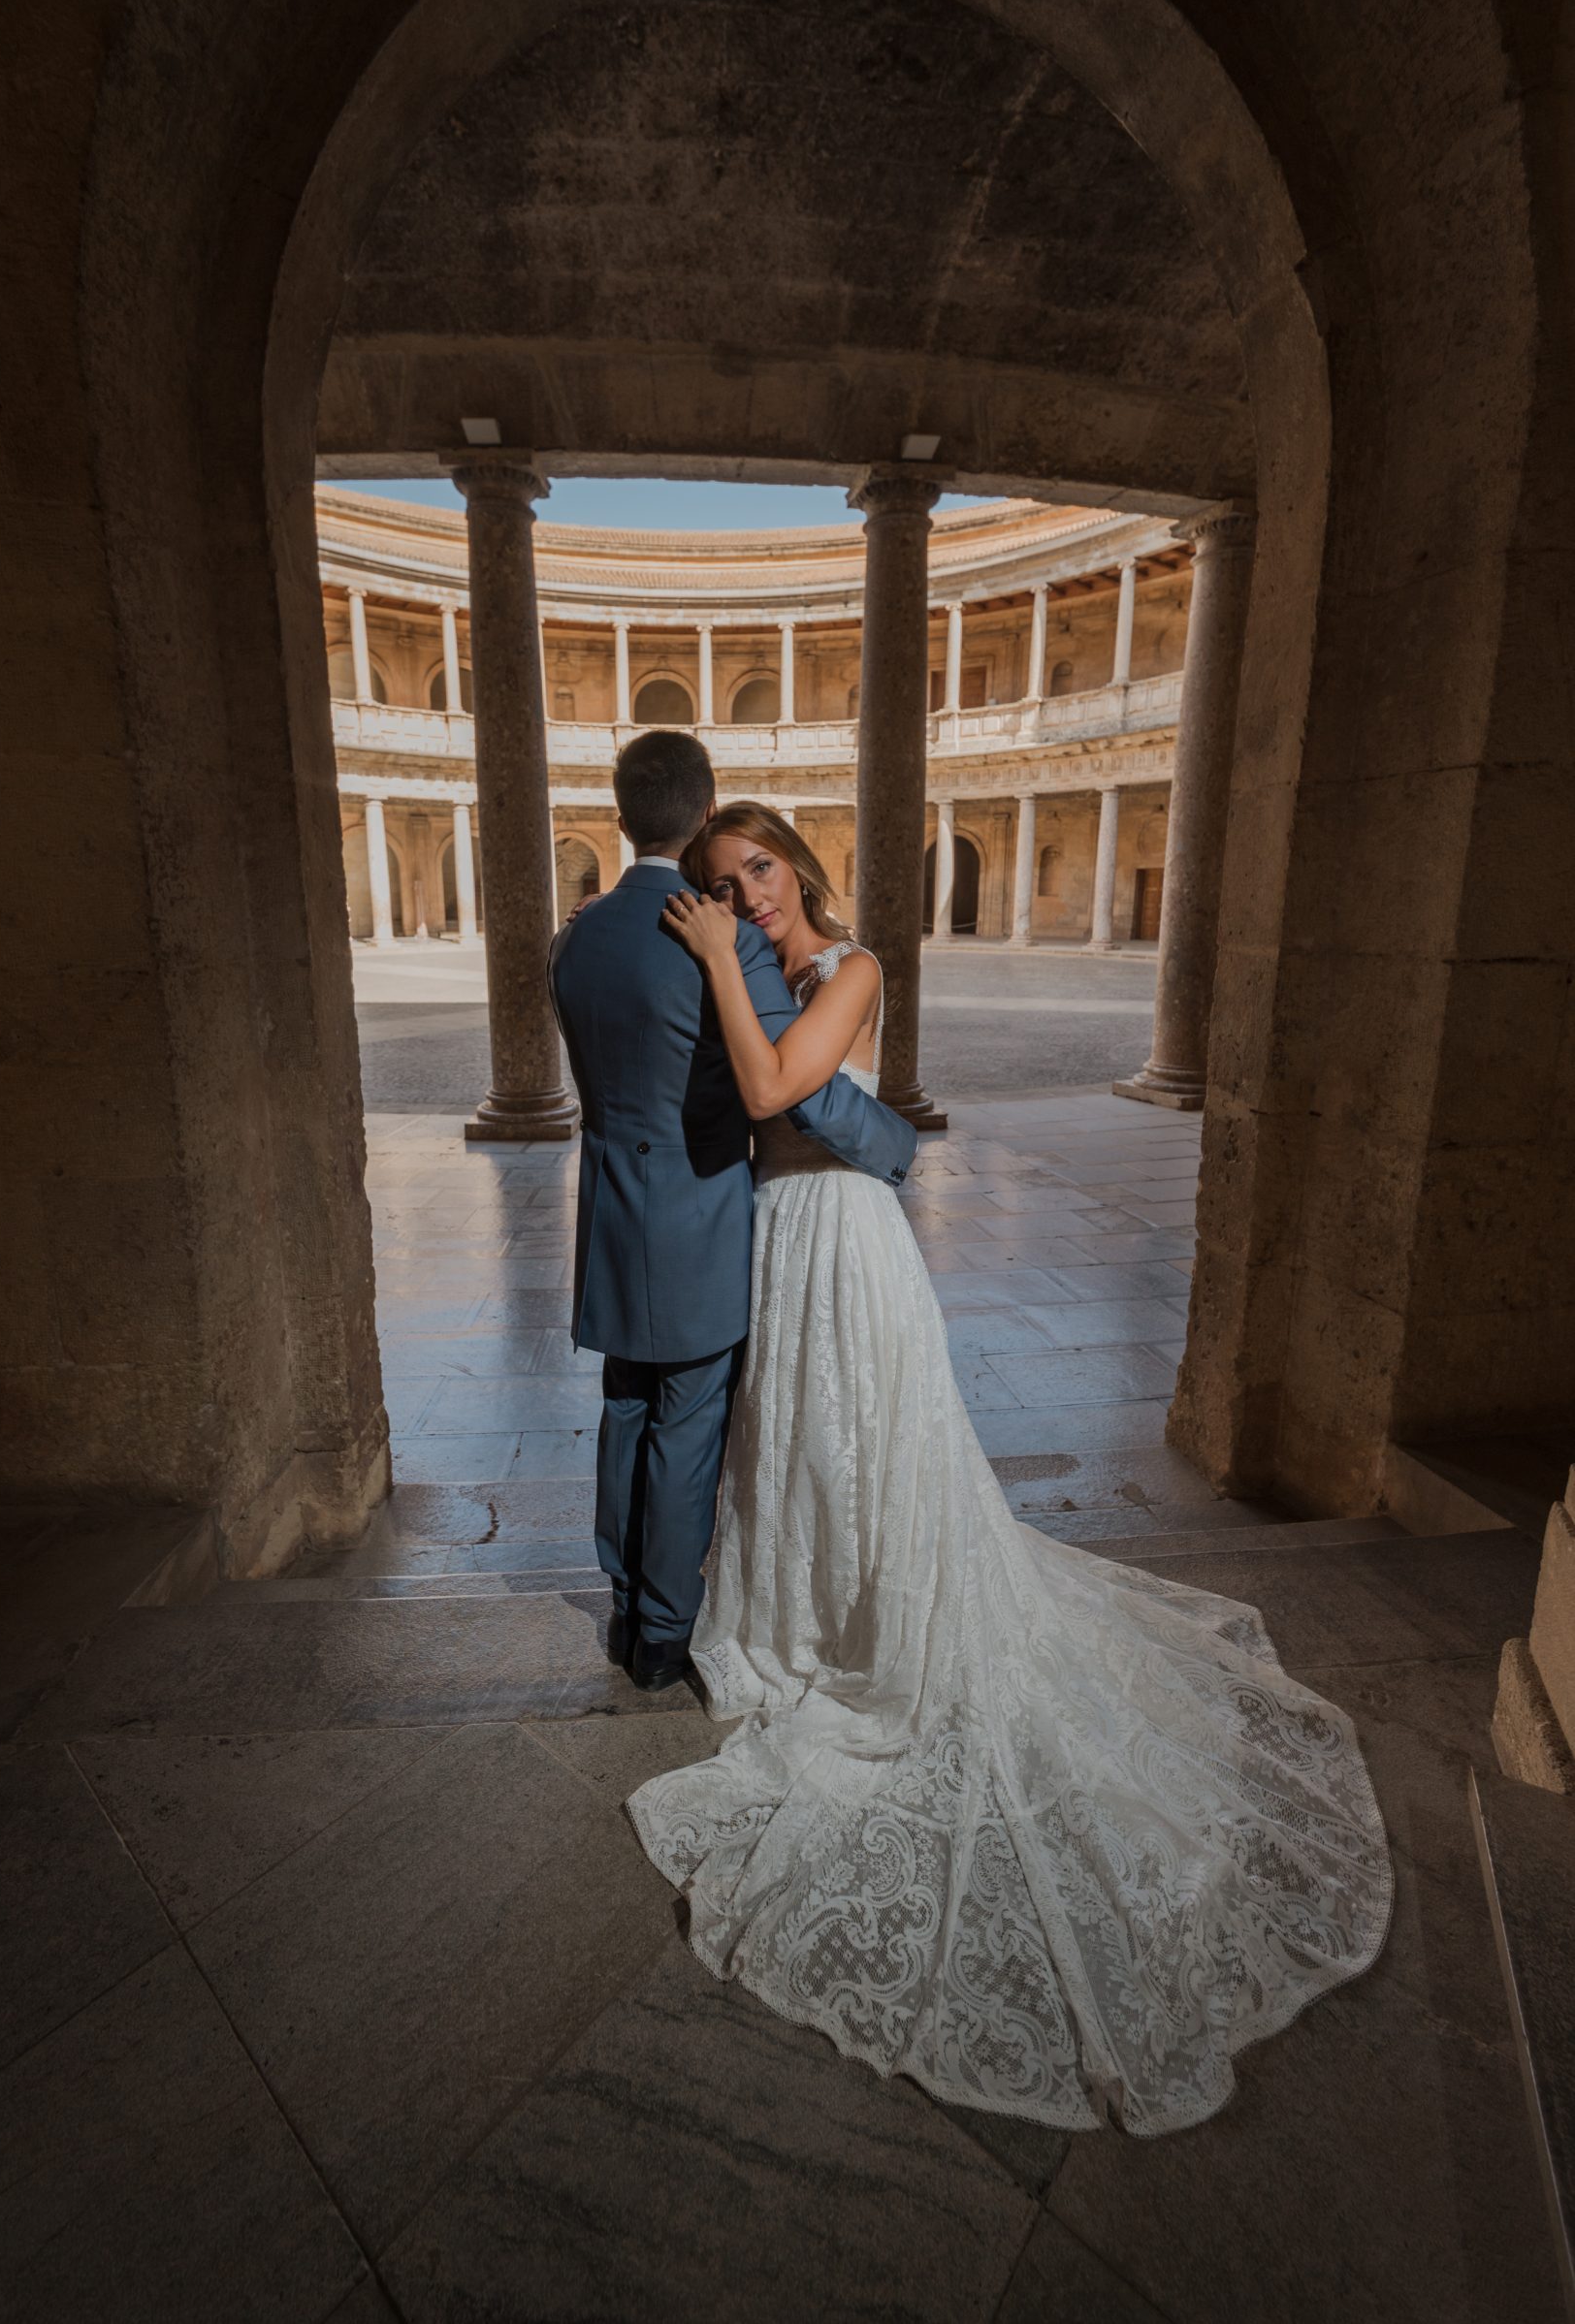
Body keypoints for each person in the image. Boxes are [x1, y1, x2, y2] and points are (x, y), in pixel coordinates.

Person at [627, 800, 1395, 2137]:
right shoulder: (763, 976)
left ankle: (887, 1635)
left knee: (873, 1445)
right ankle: (804, 1620)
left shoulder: (849, 968)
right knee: (801, 1452)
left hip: (846, 1241)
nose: (743, 896)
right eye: (717, 882)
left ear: (796, 867)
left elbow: (770, 1092)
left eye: (755, 871)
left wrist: (705, 964)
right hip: (777, 1237)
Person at [548, 734, 917, 1695]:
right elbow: (801, 1095)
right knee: (685, 1425)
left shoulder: (575, 935)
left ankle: (627, 1603)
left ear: (618, 810)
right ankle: (663, 1634)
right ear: (703, 807)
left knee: (625, 1409)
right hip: (701, 1228)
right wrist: (896, 1148)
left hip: (610, 1224)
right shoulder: (723, 943)